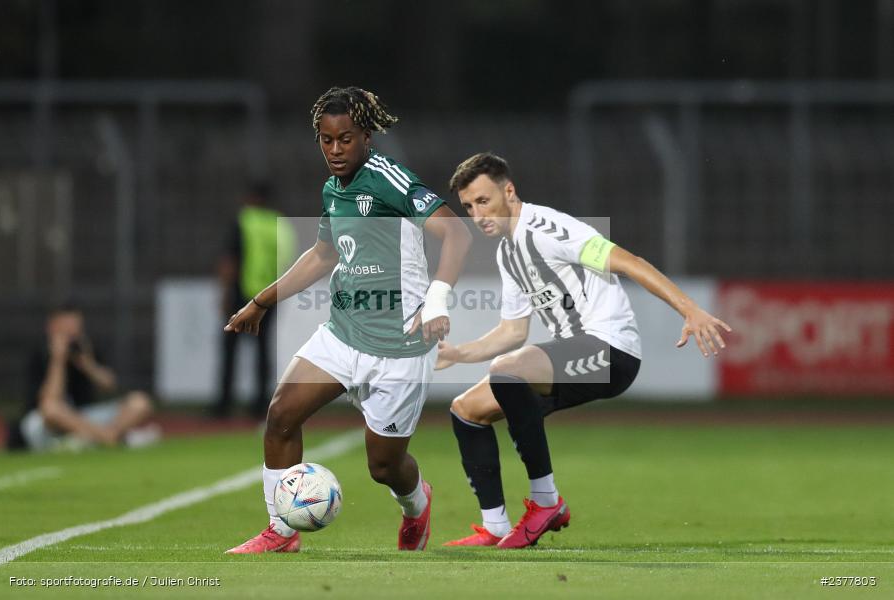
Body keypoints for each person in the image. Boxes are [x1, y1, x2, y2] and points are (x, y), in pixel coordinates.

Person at [438, 153, 731, 549]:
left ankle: (547, 503)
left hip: (613, 351)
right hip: (574, 355)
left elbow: (629, 262)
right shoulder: (508, 252)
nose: (477, 214)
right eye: (469, 207)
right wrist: (460, 354)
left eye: (484, 201)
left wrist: (690, 309)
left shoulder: (547, 228)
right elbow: (512, 331)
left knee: (507, 371)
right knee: (465, 410)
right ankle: (494, 527)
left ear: (509, 191)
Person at [224, 86, 472, 554]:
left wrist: (437, 300)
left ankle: (417, 505)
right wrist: (261, 301)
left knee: (384, 467)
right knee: (280, 416)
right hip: (344, 334)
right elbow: (323, 254)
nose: (336, 150)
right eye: (326, 140)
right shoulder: (333, 188)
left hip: (400, 346)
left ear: (366, 136)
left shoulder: (388, 179)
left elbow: (456, 234)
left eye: (346, 139)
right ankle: (282, 531)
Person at [16, 303, 157, 451]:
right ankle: (111, 438)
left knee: (140, 402)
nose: (72, 332)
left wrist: (88, 365)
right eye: (66, 327)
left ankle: (96, 437)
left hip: (84, 417)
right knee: (51, 408)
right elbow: (48, 402)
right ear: (52, 327)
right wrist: (58, 360)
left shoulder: (86, 348)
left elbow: (109, 384)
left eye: (75, 326)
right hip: (46, 423)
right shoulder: (39, 353)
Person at [215, 183, 296, 419]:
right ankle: (261, 404)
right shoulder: (278, 223)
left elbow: (230, 259)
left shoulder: (244, 220)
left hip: (242, 292)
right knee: (263, 350)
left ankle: (224, 404)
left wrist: (225, 292)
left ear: (250, 197)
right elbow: (289, 257)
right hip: (270, 294)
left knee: (230, 348)